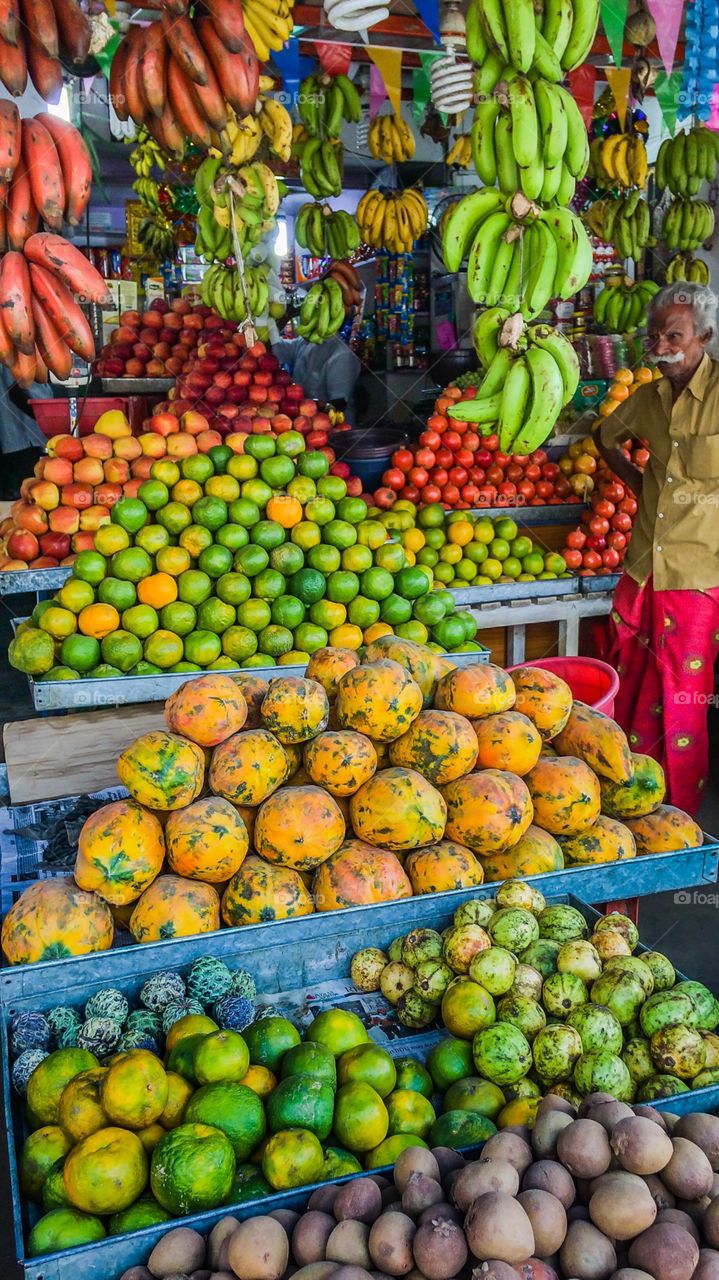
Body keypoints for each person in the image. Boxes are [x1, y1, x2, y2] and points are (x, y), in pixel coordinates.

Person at [594, 280, 719, 816]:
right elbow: (605, 438)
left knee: (683, 701)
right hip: (643, 567)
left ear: (704, 336)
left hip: (697, 575)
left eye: (675, 335)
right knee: (628, 688)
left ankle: (678, 820)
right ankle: (630, 803)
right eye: (655, 335)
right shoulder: (648, 398)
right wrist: (638, 482)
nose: (663, 345)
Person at [272, 329, 361, 426]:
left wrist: (306, 410)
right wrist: (265, 322)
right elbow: (277, 348)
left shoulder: (341, 355)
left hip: (334, 431)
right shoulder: (304, 343)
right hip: (304, 424)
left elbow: (336, 408)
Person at [0, 365, 54, 500]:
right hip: (19, 441)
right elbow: (19, 393)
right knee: (24, 498)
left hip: (20, 441)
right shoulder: (13, 352)